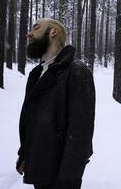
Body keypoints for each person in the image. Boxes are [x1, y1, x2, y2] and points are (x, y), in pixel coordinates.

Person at [16, 18, 95, 189]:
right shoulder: (37, 74)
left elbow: (80, 133)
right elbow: (34, 121)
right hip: (40, 169)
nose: (29, 33)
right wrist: (25, 154)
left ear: (53, 32)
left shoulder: (76, 71)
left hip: (62, 177)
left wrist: (67, 179)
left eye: (36, 28)